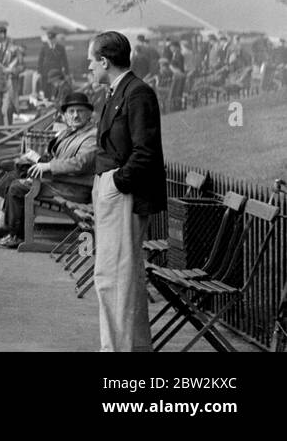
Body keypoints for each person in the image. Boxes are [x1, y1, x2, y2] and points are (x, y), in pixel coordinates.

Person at [88, 30, 166, 352]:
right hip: (113, 191)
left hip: (123, 195)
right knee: (123, 281)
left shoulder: (137, 93)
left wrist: (116, 184)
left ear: (104, 61)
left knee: (113, 281)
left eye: (90, 63)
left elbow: (145, 153)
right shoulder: (116, 92)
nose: (89, 69)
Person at [0, 91, 97, 247]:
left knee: (17, 187)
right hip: (58, 180)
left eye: (80, 111)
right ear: (65, 115)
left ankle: (17, 236)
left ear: (89, 114)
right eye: (71, 111)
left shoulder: (91, 136)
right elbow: (55, 155)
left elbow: (80, 163)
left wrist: (47, 166)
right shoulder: (69, 132)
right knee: (15, 173)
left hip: (73, 187)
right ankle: (3, 223)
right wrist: (37, 160)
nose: (75, 115)